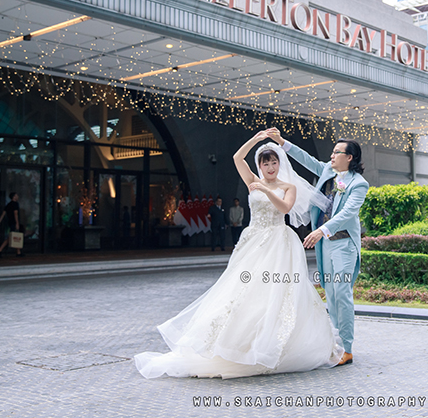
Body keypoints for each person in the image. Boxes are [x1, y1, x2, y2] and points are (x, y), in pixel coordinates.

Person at [134, 131, 343, 379]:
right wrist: (257, 139)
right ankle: (237, 343)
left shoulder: (289, 186)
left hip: (278, 241)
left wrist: (266, 191)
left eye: (274, 161)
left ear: (280, 163)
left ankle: (274, 343)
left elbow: (285, 208)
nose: (270, 166)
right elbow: (236, 157)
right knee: (241, 289)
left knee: (278, 292)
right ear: (260, 165)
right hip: (253, 240)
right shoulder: (252, 179)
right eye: (265, 163)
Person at [269, 127, 368, 366]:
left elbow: (347, 213)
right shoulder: (326, 170)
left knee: (342, 293)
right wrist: (282, 142)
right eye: (332, 152)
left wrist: (321, 230)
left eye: (336, 152)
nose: (331, 156)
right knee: (330, 293)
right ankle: (334, 342)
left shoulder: (358, 184)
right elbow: (307, 159)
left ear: (349, 157)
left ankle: (347, 348)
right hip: (326, 246)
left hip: (343, 244)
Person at [0, 192, 23, 257]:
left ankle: (18, 252)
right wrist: (17, 223)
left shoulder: (8, 205)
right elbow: (15, 214)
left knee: (13, 236)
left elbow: (3, 214)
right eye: (16, 195)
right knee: (13, 237)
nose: (17, 197)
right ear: (14, 197)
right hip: (14, 222)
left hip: (10, 222)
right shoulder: (15, 204)